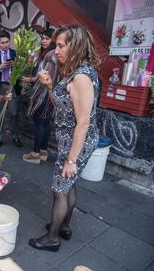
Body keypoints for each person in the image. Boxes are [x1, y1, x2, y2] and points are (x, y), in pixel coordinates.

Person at [28, 25, 100, 252]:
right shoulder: (75, 71)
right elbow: (63, 104)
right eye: (56, 45)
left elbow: (83, 122)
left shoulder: (81, 77)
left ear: (76, 46)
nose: (56, 50)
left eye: (61, 45)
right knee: (69, 184)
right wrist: (50, 86)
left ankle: (52, 238)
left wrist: (71, 160)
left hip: (75, 143)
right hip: (70, 140)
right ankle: (65, 226)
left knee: (60, 189)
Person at [22, 28, 57, 164]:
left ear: (53, 40)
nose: (43, 41)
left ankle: (35, 154)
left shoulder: (50, 55)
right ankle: (43, 151)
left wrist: (31, 79)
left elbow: (43, 76)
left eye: (47, 39)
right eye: (42, 38)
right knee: (45, 121)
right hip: (50, 92)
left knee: (40, 122)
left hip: (43, 92)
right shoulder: (53, 54)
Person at [0, 30, 21, 148]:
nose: (5, 45)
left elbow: (21, 69)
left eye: (7, 42)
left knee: (14, 113)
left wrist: (16, 66)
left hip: (12, 86)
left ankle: (15, 136)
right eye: (3, 43)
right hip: (0, 86)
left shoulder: (15, 53)